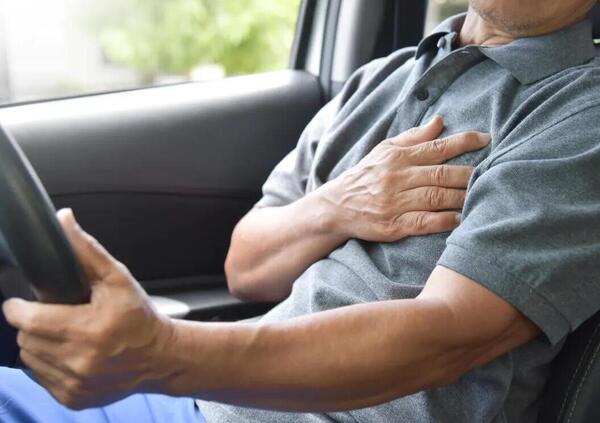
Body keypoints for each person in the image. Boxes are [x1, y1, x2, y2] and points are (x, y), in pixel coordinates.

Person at [2, 0, 600, 421]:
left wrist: (161, 354)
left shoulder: (580, 117)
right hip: (213, 404)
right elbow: (247, 266)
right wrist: (337, 206)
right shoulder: (381, 79)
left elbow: (446, 339)